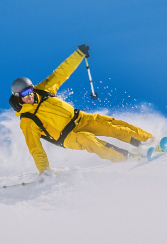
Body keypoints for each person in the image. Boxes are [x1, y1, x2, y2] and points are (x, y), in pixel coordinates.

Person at [9, 44, 153, 174]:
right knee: (89, 140)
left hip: (81, 118)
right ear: (18, 97)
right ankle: (127, 158)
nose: (29, 96)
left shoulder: (43, 90)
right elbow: (35, 148)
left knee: (111, 125)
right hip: (67, 136)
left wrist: (79, 54)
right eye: (24, 94)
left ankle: (149, 142)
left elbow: (61, 72)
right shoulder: (27, 120)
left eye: (30, 91)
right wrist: (44, 170)